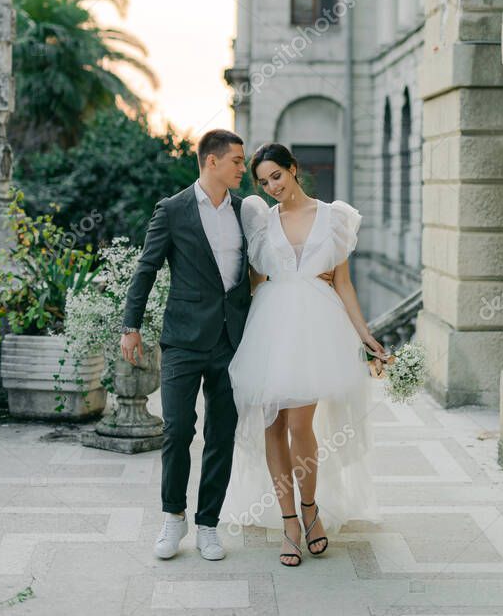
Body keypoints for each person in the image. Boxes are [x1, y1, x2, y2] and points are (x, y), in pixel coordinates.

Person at [219, 142, 387, 567]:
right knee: (272, 423)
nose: (271, 186)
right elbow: (256, 280)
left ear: (294, 170)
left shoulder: (335, 217)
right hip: (272, 325)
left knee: (299, 423)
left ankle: (311, 508)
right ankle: (289, 521)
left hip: (316, 326)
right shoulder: (261, 220)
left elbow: (343, 283)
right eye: (263, 181)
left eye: (277, 175)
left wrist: (365, 336)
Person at [119, 129, 252, 562]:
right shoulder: (172, 210)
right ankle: (172, 518)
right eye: (236, 160)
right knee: (177, 429)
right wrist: (130, 325)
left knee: (222, 433)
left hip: (233, 340)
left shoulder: (246, 212)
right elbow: (147, 268)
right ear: (211, 162)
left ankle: (208, 525)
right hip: (182, 340)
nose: (242, 168)